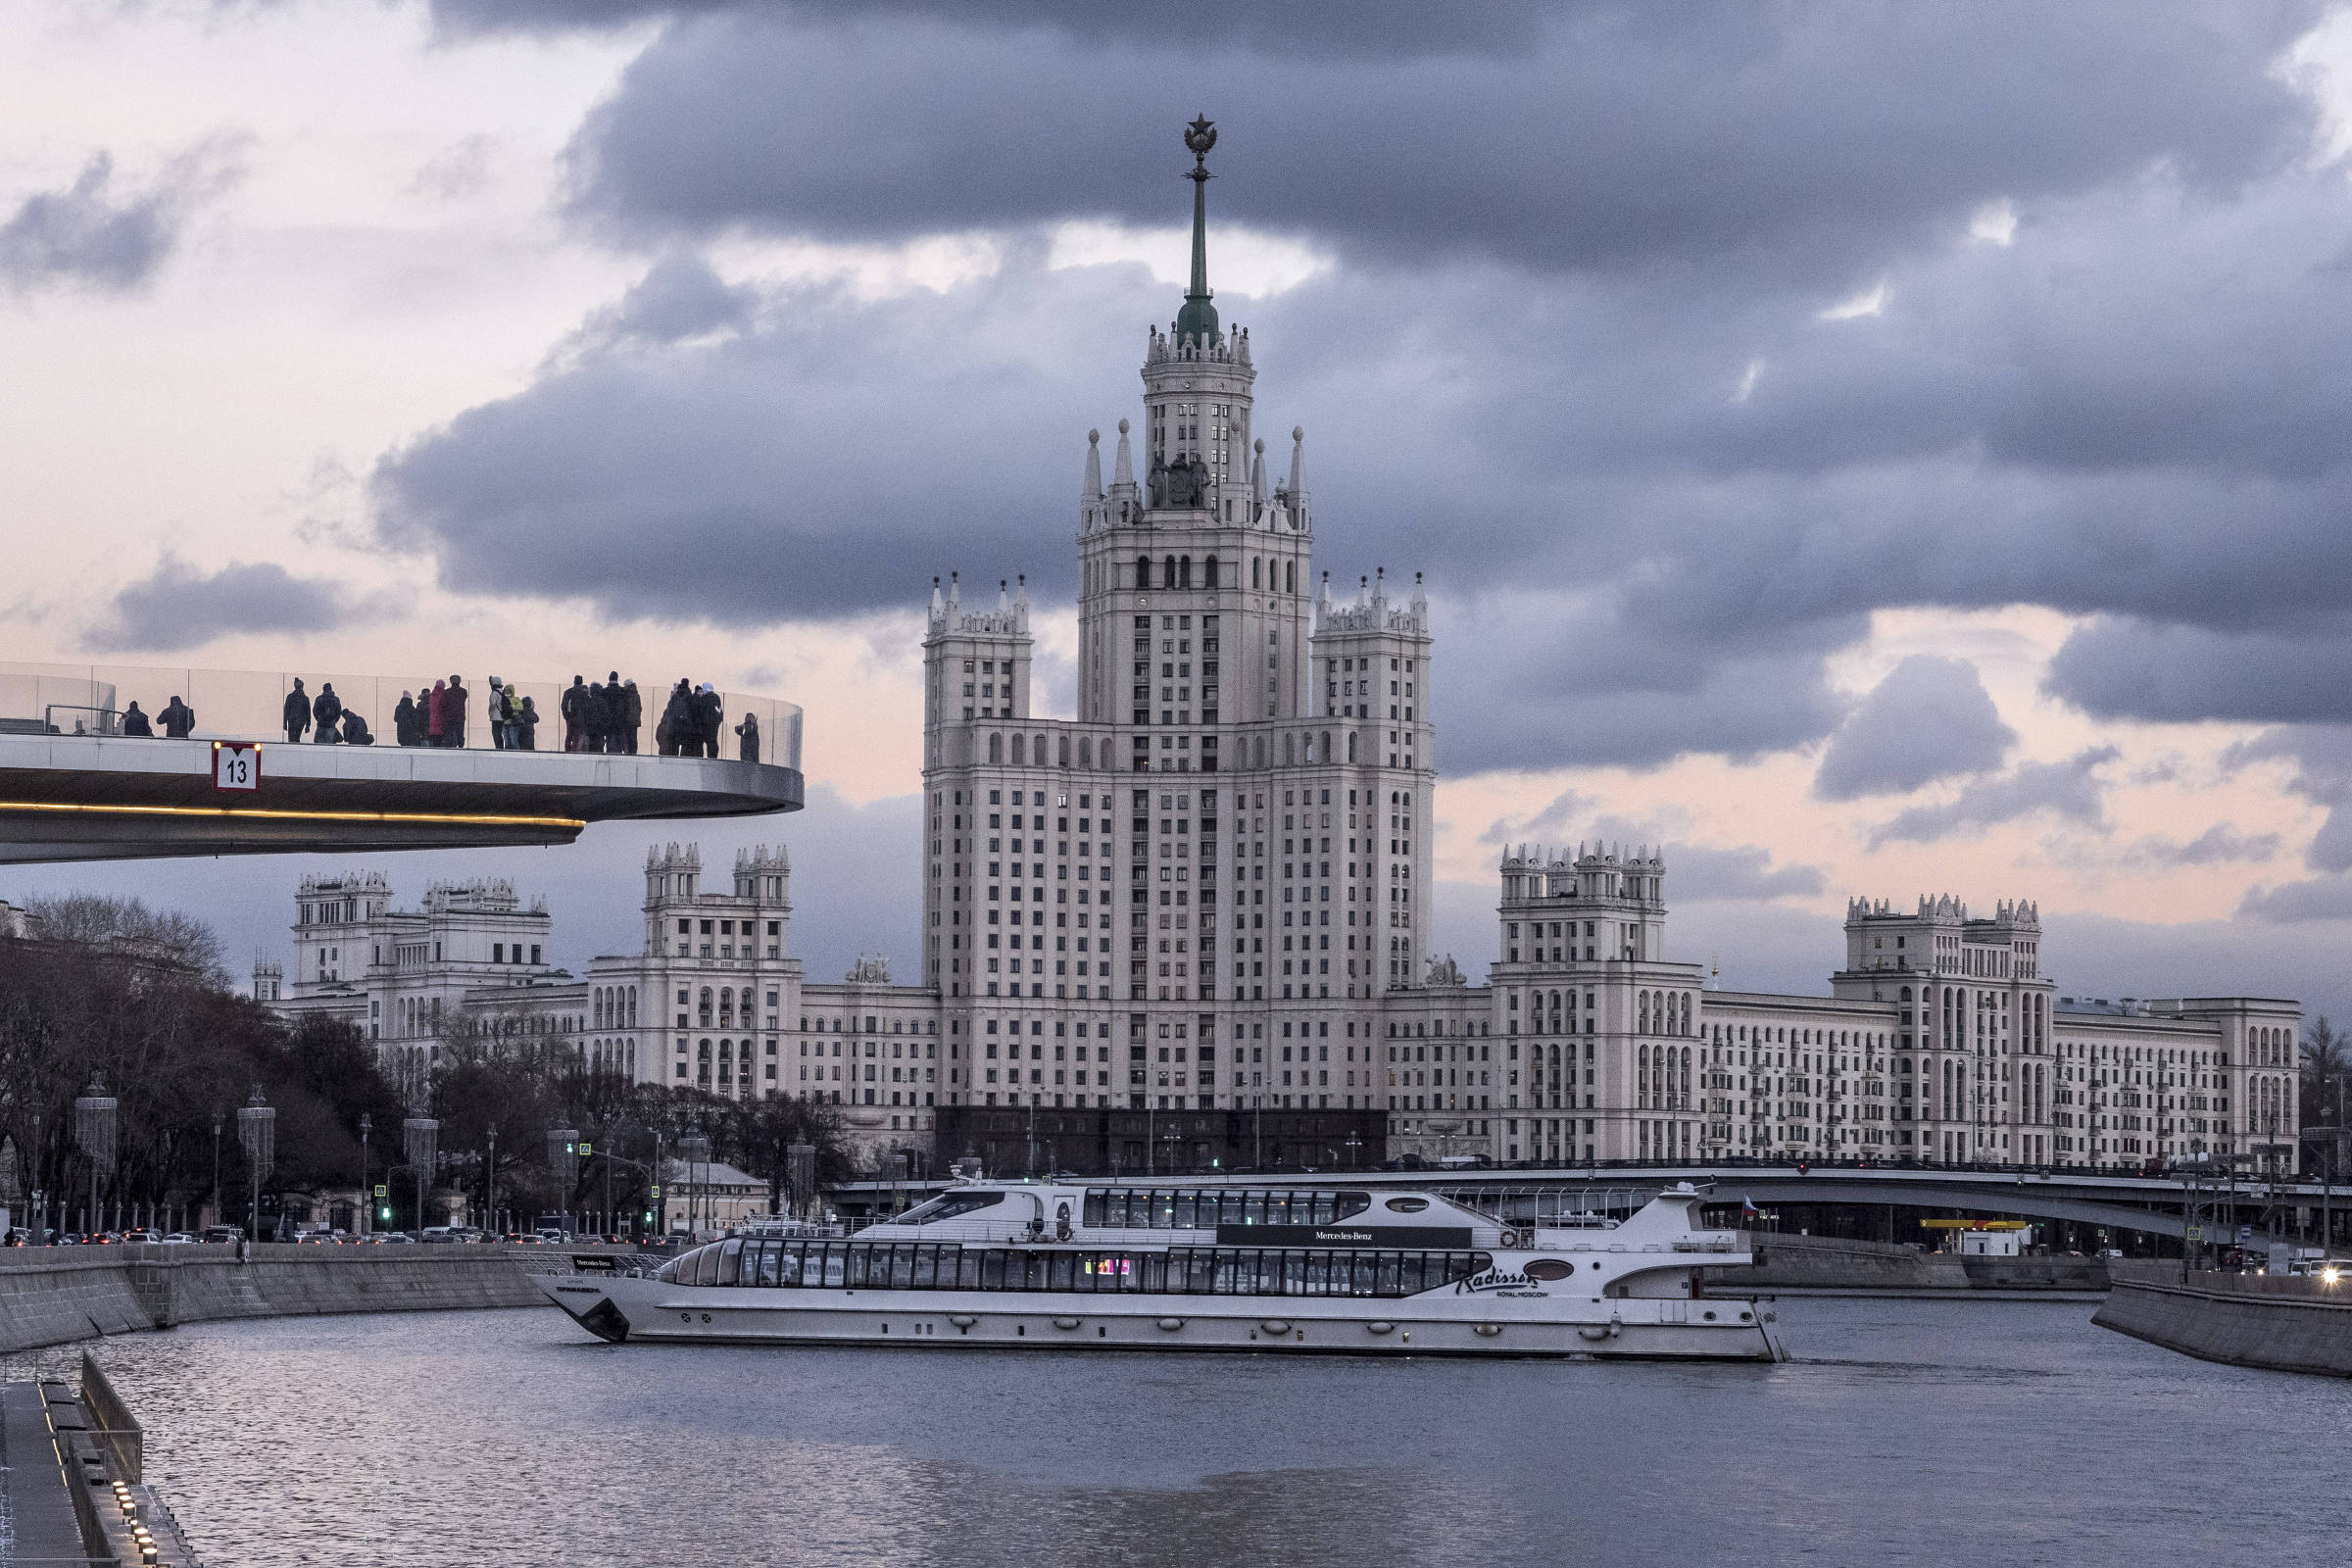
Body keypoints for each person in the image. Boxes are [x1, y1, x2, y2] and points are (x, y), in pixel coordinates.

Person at [694, 682, 723, 759]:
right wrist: (718, 721)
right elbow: (719, 711)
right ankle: (713, 759)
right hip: (714, 725)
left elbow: (700, 713)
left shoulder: (704, 698)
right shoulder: (716, 697)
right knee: (713, 743)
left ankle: (701, 759)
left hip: (705, 726)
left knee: (701, 743)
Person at [562, 675, 587, 752]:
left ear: (574, 681)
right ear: (582, 682)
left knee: (569, 736)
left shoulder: (568, 692)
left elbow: (563, 705)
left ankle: (568, 751)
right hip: (580, 718)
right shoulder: (584, 693)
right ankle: (574, 751)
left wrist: (566, 716)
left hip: (570, 718)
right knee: (577, 736)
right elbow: (586, 706)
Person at [444, 674, 468, 748]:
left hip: (449, 716)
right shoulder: (463, 691)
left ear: (450, 681)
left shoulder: (446, 692)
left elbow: (443, 704)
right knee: (460, 733)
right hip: (460, 716)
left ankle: (450, 747)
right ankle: (460, 746)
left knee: (450, 733)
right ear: (460, 681)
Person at [283, 680, 311, 744]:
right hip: (301, 721)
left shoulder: (290, 697)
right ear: (302, 687)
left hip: (292, 720)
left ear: (295, 686)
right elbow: (308, 713)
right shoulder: (305, 698)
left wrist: (284, 723)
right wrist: (308, 725)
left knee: (291, 740)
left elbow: (286, 711)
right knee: (297, 738)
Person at [619, 679, 642, 754]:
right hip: (635, 720)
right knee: (634, 738)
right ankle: (634, 753)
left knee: (626, 738)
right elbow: (640, 708)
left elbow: (624, 707)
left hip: (627, 720)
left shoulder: (625, 693)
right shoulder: (637, 695)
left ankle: (627, 752)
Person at [426, 679, 448, 748]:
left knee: (434, 744)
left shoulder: (431, 696)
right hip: (440, 722)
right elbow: (444, 708)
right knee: (440, 744)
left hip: (432, 722)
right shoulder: (443, 695)